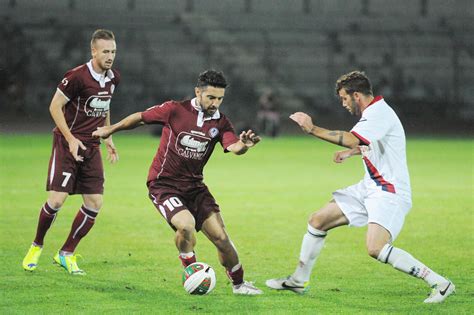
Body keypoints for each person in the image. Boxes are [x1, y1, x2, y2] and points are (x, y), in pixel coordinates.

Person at [266, 71, 454, 303]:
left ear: (356, 95)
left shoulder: (378, 113)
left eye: (344, 98)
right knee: (318, 220)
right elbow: (370, 142)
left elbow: (354, 137)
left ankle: (440, 282)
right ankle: (298, 280)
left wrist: (312, 129)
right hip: (370, 187)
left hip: (389, 191)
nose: (343, 104)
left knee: (376, 248)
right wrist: (352, 153)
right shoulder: (375, 112)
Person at [92, 70, 263, 295]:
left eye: (220, 98)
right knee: (186, 225)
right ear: (198, 92)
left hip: (195, 187)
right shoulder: (175, 109)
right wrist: (110, 129)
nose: (215, 103)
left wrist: (244, 145)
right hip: (164, 184)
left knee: (221, 238)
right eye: (211, 97)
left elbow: (233, 147)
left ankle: (239, 284)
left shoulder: (221, 123)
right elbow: (140, 117)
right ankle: (190, 268)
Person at [22, 29, 120, 275]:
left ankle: (66, 253)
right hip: (67, 145)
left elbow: (105, 105)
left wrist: (108, 135)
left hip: (92, 145)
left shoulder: (113, 78)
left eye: (114, 51)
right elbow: (54, 107)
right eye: (106, 51)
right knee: (57, 200)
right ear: (93, 51)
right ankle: (36, 246)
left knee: (95, 202)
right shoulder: (76, 76)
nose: (110, 56)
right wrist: (70, 138)